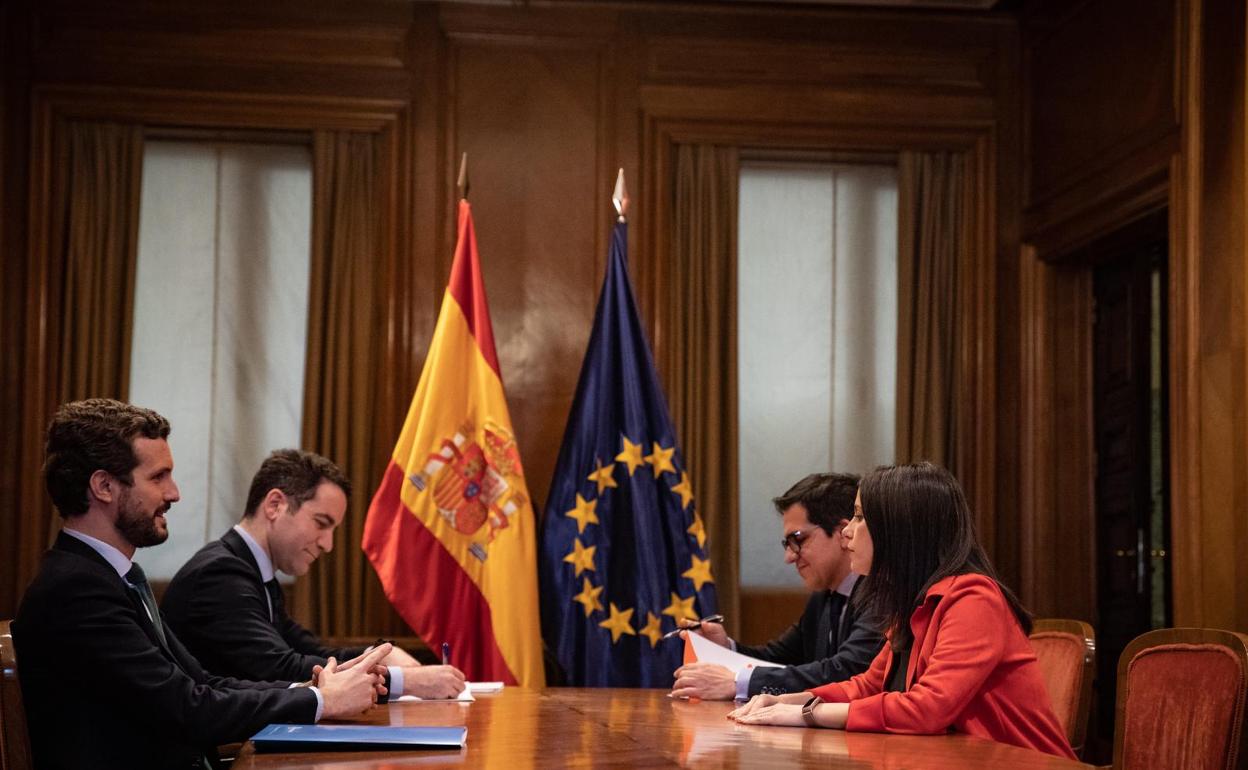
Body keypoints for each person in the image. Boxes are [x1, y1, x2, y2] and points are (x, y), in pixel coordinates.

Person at [13, 399, 389, 770]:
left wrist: (312, 691)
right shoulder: (76, 589)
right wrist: (321, 701)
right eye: (158, 477)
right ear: (104, 486)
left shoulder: (111, 577)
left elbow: (203, 683)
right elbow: (188, 709)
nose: (174, 493)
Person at [729, 462, 1076, 760]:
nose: (847, 531)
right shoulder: (913, 603)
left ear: (898, 529)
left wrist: (809, 713)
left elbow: (927, 709)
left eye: (860, 517)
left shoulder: (973, 598)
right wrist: (790, 701)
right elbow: (867, 685)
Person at [162, 448, 466, 699]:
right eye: (321, 523)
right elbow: (279, 668)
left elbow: (309, 649)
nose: (328, 544)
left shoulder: (254, 571)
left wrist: (380, 654)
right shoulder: (220, 575)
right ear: (275, 505)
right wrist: (398, 680)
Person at [671, 473, 883, 699]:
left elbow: (846, 672)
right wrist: (725, 648)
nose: (789, 557)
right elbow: (778, 659)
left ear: (842, 533)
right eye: (787, 544)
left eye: (798, 539)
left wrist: (738, 682)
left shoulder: (881, 594)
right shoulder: (822, 597)